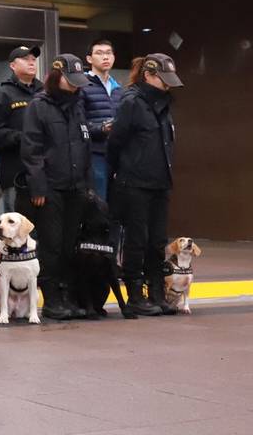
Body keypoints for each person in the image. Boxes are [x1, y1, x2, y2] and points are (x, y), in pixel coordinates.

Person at [108, 53, 183, 317]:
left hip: (160, 181)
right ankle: (136, 295)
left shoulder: (164, 105)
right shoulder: (132, 102)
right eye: (164, 80)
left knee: (157, 241)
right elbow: (115, 142)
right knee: (137, 240)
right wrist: (121, 173)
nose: (167, 85)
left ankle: (157, 294)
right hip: (135, 181)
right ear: (149, 76)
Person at [20, 53, 91, 321]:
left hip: (76, 188)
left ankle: (66, 293)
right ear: (57, 77)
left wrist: (87, 188)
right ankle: (51, 299)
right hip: (50, 188)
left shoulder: (77, 106)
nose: (74, 86)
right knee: (51, 245)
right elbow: (31, 150)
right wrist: (38, 188)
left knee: (70, 244)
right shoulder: (39, 106)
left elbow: (84, 147)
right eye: (70, 81)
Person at [0, 45, 41, 215]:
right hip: (15, 172)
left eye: (33, 59)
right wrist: (21, 138)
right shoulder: (3, 95)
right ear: (12, 65)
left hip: (44, 173)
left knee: (45, 230)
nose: (31, 63)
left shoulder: (45, 92)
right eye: (25, 59)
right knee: (16, 229)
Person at [82, 38, 122, 201]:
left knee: (117, 203)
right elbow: (78, 123)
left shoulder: (119, 88)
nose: (105, 57)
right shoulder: (83, 86)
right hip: (94, 153)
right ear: (89, 59)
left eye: (109, 53)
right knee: (98, 203)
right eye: (99, 53)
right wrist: (101, 128)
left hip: (116, 153)